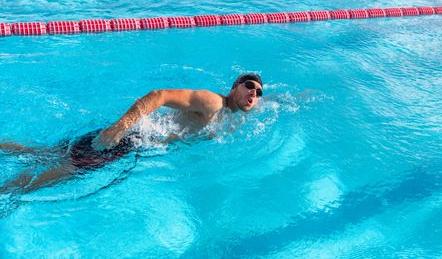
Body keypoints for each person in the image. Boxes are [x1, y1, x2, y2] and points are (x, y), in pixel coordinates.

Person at [0, 73, 263, 195]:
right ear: (234, 87)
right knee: (67, 170)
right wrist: (119, 127)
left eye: (258, 92)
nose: (254, 93)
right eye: (249, 86)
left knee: (45, 155)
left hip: (133, 142)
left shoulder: (228, 117)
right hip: (128, 139)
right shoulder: (212, 102)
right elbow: (160, 95)